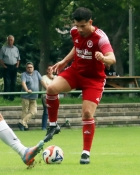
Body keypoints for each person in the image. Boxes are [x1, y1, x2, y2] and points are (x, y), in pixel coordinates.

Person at [43, 7, 116, 164]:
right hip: (76, 72)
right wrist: (65, 61)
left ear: (90, 22)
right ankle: (53, 125)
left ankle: (85, 153)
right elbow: (78, 47)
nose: (79, 29)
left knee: (87, 114)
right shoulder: (74, 32)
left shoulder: (100, 38)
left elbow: (112, 58)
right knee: (51, 88)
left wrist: (103, 58)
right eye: (77, 25)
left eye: (83, 26)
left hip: (94, 80)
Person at [17, 62, 47, 131]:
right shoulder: (24, 74)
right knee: (25, 111)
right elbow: (23, 83)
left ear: (33, 68)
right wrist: (27, 90)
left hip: (34, 97)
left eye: (31, 67)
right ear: (26, 68)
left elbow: (42, 81)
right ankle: (25, 126)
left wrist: (47, 88)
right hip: (26, 96)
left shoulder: (36, 73)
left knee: (34, 111)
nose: (29, 68)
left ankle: (22, 123)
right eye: (28, 67)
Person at [0, 35, 20, 101]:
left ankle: (12, 98)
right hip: (7, 67)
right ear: (7, 41)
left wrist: (17, 65)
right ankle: (6, 97)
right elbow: (0, 58)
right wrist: (4, 66)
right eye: (9, 40)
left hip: (14, 67)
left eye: (11, 40)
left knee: (13, 82)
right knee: (7, 83)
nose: (10, 41)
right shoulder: (3, 48)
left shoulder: (16, 49)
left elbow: (18, 58)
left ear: (13, 41)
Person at [41, 65, 56, 130]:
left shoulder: (56, 77)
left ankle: (53, 126)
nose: (50, 70)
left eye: (51, 69)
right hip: (46, 96)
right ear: (47, 70)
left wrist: (52, 78)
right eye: (49, 69)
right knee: (46, 111)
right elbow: (46, 87)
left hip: (54, 96)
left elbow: (58, 85)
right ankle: (44, 127)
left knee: (54, 112)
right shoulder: (43, 77)